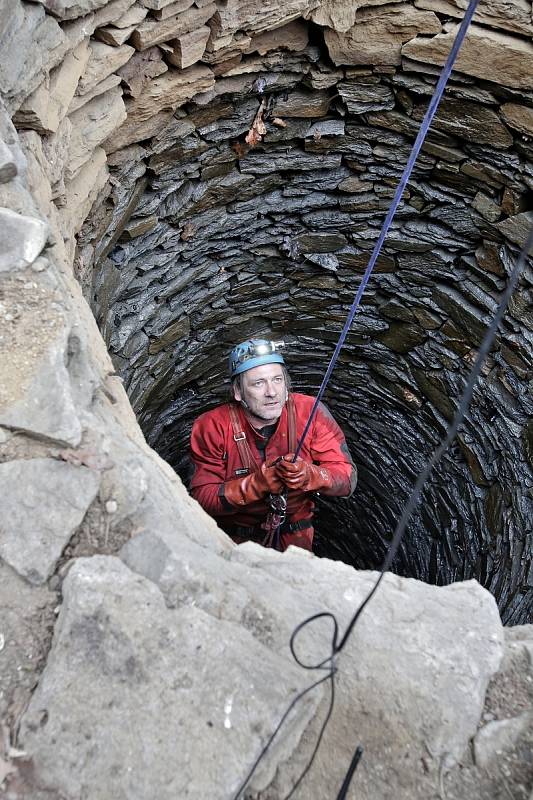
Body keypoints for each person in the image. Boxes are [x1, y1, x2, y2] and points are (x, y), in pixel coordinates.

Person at [190, 338, 357, 551]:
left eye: (277, 380)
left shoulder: (310, 412)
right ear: (238, 392)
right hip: (233, 540)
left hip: (295, 536)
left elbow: (347, 479)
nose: (272, 392)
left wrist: (311, 475)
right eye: (258, 383)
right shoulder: (213, 426)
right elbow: (202, 499)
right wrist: (256, 485)